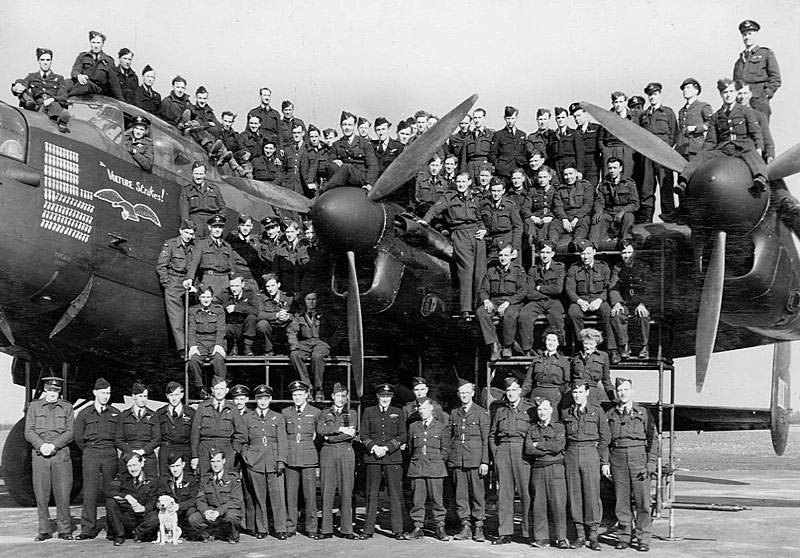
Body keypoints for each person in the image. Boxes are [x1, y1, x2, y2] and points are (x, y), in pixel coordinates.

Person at [679, 78, 767, 193]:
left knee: (752, 153)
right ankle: (684, 181)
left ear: (736, 93)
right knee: (701, 156)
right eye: (725, 92)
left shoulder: (745, 111)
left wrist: (759, 148)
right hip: (723, 148)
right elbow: (710, 140)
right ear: (721, 94)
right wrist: (705, 153)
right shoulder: (716, 116)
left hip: (742, 146)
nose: (728, 95)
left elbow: (755, 131)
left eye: (731, 91)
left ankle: (760, 178)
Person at [419, 172, 487, 320]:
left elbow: (481, 217)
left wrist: (484, 230)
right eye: (458, 181)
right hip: (460, 234)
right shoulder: (449, 197)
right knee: (466, 269)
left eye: (463, 181)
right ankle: (466, 309)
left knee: (480, 271)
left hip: (477, 235)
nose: (460, 184)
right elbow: (435, 209)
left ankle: (477, 306)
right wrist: (426, 221)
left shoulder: (476, 197)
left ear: (469, 182)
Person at [602, 378, 657, 552]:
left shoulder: (643, 413)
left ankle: (643, 538)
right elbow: (605, 441)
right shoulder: (610, 414)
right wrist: (605, 462)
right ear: (617, 393)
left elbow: (652, 440)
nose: (623, 393)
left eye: (626, 389)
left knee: (643, 502)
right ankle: (624, 537)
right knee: (622, 501)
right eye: (620, 390)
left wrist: (650, 463)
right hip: (617, 458)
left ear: (632, 391)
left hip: (638, 458)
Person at [24, 376, 74, 541]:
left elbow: (70, 432)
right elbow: (29, 431)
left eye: (56, 390)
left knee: (63, 493)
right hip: (40, 456)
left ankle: (64, 530)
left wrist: (54, 446)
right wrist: (41, 445)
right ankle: (44, 530)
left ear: (59, 392)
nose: (53, 393)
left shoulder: (67, 407)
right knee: (41, 494)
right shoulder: (34, 406)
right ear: (45, 389)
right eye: (50, 390)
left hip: (61, 454)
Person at [562, 378, 610, 551]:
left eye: (581, 392)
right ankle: (580, 535)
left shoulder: (596, 411)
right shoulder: (566, 412)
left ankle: (593, 536)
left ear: (587, 393)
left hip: (590, 452)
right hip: (572, 453)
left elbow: (606, 436)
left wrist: (596, 455)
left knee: (591, 495)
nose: (577, 395)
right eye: (575, 392)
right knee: (575, 496)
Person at [316, 382, 365, 539]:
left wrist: (331, 435)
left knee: (346, 490)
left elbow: (350, 434)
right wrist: (340, 429)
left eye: (344, 396)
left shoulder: (351, 413)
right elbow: (320, 430)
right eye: (338, 395)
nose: (341, 399)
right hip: (328, 452)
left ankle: (346, 530)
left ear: (347, 397)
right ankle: (326, 529)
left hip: (345, 451)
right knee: (327, 490)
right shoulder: (324, 413)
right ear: (332, 396)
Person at [360, 384, 409, 539]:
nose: (385, 399)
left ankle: (398, 530)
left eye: (388, 397)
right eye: (382, 396)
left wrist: (386, 448)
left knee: (395, 494)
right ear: (377, 397)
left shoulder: (398, 412)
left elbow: (403, 435)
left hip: (392, 458)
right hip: (373, 458)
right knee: (371, 494)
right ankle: (368, 530)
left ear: (391, 397)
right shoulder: (368, 412)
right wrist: (374, 447)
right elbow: (363, 434)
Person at [489, 376, 533, 544]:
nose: (511, 393)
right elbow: (492, 435)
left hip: (522, 453)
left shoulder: (529, 409)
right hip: (504, 452)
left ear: (520, 391)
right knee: (505, 494)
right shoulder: (500, 411)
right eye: (508, 391)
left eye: (514, 390)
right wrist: (497, 453)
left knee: (525, 494)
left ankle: (527, 532)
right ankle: (505, 532)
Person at [241, 384, 289, 540]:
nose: (263, 402)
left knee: (278, 496)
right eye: (260, 399)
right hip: (255, 462)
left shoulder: (278, 417)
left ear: (270, 399)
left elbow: (282, 441)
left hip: (274, 461)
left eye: (265, 398)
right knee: (259, 497)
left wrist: (281, 460)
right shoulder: (248, 418)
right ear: (255, 400)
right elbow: (243, 440)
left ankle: (280, 528)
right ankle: (261, 528)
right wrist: (247, 457)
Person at [73, 377, 118, 540]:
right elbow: (78, 437)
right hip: (91, 453)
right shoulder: (84, 413)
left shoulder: (115, 413)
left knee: (112, 490)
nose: (106, 396)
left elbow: (120, 436)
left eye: (108, 393)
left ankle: (113, 527)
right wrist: (89, 451)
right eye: (103, 393)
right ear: (95, 393)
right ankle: (87, 529)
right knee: (89, 492)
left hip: (110, 454)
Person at [447, 379, 490, 542]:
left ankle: (479, 526)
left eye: (467, 392)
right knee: (461, 495)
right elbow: (451, 437)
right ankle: (465, 526)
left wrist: (485, 461)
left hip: (475, 460)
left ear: (472, 393)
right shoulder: (454, 412)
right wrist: (450, 459)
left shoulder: (481, 413)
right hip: (458, 460)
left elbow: (485, 439)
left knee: (478, 495)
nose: (464, 395)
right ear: (458, 394)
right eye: (461, 393)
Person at [524, 397, 568, 549]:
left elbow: (558, 445)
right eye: (539, 409)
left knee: (558, 503)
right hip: (538, 469)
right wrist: (545, 447)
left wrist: (539, 445)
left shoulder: (559, 427)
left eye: (545, 409)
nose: (542, 412)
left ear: (551, 410)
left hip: (555, 468)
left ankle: (561, 537)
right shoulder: (532, 428)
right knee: (539, 504)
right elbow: (528, 448)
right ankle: (541, 537)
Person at [565, 240, 619, 362]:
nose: (585, 257)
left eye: (588, 253)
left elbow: (607, 287)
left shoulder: (603, 267)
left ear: (594, 252)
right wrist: (579, 301)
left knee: (607, 311)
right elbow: (569, 289)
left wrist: (599, 300)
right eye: (583, 254)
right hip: (581, 300)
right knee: (573, 313)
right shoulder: (574, 268)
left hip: (598, 300)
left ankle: (612, 349)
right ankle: (581, 347)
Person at [407, 398, 451, 541]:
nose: (421, 411)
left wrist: (436, 461)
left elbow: (445, 450)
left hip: (435, 468)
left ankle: (439, 527)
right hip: (417, 467)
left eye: (424, 408)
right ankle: (418, 527)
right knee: (417, 500)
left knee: (437, 500)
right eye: (420, 408)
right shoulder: (413, 426)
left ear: (432, 409)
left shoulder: (441, 427)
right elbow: (410, 448)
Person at [282, 380, 321, 539]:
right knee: (290, 495)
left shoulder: (316, 412)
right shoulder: (286, 412)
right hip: (291, 457)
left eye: (300, 394)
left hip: (308, 457)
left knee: (310, 495)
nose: (297, 397)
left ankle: (311, 527)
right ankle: (290, 526)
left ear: (306, 395)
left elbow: (319, 435)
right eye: (294, 394)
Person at [288, 290, 342, 402]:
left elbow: (341, 327)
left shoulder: (325, 314)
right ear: (304, 301)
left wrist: (332, 342)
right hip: (305, 342)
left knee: (317, 356)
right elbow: (292, 331)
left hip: (321, 342)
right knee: (294, 355)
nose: (311, 302)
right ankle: (307, 387)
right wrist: (294, 343)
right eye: (308, 299)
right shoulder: (299, 315)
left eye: (313, 299)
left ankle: (318, 388)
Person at [476, 244, 526, 360]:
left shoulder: (518, 271)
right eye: (500, 255)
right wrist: (486, 300)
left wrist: (508, 303)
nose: (503, 258)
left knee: (510, 315)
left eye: (506, 255)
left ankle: (507, 346)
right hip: (494, 300)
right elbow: (483, 290)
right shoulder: (491, 270)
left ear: (511, 256)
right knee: (481, 312)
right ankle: (494, 345)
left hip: (512, 302)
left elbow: (522, 292)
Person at [637, 82, 678, 223]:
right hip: (647, 156)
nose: (652, 97)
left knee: (666, 185)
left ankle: (669, 216)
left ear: (659, 94)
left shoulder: (667, 112)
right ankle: (646, 218)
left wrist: (665, 149)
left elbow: (674, 133)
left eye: (654, 94)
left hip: (663, 155)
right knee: (646, 187)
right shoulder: (644, 115)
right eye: (650, 95)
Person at [190, 376, 246, 475]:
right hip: (205, 448)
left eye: (222, 389)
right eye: (217, 389)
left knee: (225, 480)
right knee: (205, 479)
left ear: (227, 390)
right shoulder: (203, 407)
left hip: (226, 448)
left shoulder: (233, 409)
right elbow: (195, 433)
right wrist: (195, 456)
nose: (219, 392)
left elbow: (240, 433)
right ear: (212, 390)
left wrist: (233, 451)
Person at [518, 240, 565, 354]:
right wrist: (546, 293)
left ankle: (559, 349)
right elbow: (529, 292)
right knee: (524, 316)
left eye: (548, 252)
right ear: (539, 253)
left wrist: (539, 288)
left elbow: (558, 289)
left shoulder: (559, 268)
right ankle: (527, 350)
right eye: (542, 252)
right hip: (537, 302)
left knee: (556, 317)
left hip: (553, 301)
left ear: (552, 254)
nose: (545, 255)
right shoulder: (533, 270)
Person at [610, 240, 654, 360]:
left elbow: (650, 288)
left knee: (643, 316)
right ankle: (624, 345)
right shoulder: (618, 268)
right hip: (625, 301)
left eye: (629, 252)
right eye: (624, 253)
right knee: (617, 315)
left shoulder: (643, 266)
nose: (626, 256)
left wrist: (643, 303)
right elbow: (614, 287)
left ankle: (644, 346)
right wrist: (617, 303)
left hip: (641, 302)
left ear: (634, 253)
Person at [189, 449, 243, 543]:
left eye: (218, 461)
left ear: (224, 461)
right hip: (211, 510)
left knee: (232, 516)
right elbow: (200, 499)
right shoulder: (205, 479)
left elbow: (236, 501)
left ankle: (232, 536)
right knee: (193, 519)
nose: (215, 464)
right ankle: (209, 534)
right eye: (213, 461)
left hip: (226, 511)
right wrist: (205, 511)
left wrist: (219, 511)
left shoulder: (233, 478)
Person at [11, 47, 71, 133]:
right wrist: (16, 86)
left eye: (48, 60)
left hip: (51, 105)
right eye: (42, 60)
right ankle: (32, 105)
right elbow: (23, 82)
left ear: (51, 61)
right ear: (38, 61)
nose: (45, 63)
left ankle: (61, 121)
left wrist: (52, 99)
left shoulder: (59, 79)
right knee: (23, 91)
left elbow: (63, 96)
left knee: (55, 105)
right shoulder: (32, 77)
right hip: (35, 103)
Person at [105, 453, 159, 545]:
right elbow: (109, 491)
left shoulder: (152, 480)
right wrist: (126, 496)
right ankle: (120, 535)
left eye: (134, 465)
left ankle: (137, 533)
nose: (132, 469)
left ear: (142, 464)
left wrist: (143, 509)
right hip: (127, 514)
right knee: (111, 502)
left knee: (154, 519)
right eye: (129, 466)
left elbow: (153, 500)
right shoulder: (122, 477)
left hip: (141, 515)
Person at [320, 111, 379, 193]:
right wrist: (334, 161)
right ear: (340, 126)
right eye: (344, 125)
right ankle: (331, 193)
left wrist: (369, 184)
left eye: (350, 125)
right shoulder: (336, 144)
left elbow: (373, 165)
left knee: (346, 167)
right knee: (332, 166)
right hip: (343, 178)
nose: (347, 128)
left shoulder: (364, 143)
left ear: (355, 126)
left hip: (359, 177)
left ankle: (323, 191)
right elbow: (328, 164)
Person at [733, 19, 780, 120]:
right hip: (741, 102)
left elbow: (775, 78)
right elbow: (735, 83)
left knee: (760, 131)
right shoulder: (739, 61)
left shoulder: (766, 54)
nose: (747, 37)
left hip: (758, 101)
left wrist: (766, 95)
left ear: (756, 34)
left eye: (750, 34)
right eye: (744, 35)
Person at [590, 157, 639, 250]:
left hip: (623, 213)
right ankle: (592, 247)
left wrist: (622, 211)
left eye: (615, 168)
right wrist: (598, 211)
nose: (612, 171)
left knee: (629, 217)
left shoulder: (629, 184)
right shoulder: (603, 185)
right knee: (598, 219)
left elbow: (635, 204)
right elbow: (599, 201)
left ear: (620, 168)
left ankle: (626, 242)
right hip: (608, 213)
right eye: (610, 168)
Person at [186, 286, 227, 395]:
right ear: (199, 298)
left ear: (212, 298)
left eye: (208, 297)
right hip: (200, 341)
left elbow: (221, 329)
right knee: (194, 360)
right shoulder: (193, 311)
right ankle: (200, 388)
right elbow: (192, 329)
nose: (206, 299)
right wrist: (193, 346)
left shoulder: (219, 310)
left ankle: (220, 387)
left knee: (218, 359)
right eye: (203, 296)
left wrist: (219, 345)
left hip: (214, 341)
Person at [115, 382, 160, 479]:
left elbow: (156, 438)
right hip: (128, 456)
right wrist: (131, 452)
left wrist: (143, 451)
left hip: (147, 456)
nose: (143, 399)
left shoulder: (153, 415)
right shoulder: (124, 415)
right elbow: (118, 439)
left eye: (145, 396)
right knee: (127, 487)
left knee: (150, 487)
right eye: (140, 396)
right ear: (134, 396)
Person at [185, 214, 236, 299]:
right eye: (214, 227)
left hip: (225, 281)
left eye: (220, 227)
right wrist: (189, 278)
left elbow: (232, 267)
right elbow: (193, 264)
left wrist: (235, 282)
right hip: (209, 280)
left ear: (223, 229)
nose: (217, 230)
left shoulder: (227, 246)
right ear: (209, 228)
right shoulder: (201, 244)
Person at [521, 329, 570, 412]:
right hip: (537, 393)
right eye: (549, 340)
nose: (551, 343)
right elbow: (528, 382)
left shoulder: (563, 361)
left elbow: (567, 383)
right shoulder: (536, 359)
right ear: (545, 341)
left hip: (554, 395)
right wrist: (519, 394)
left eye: (554, 340)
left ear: (558, 343)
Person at [549, 164, 594, 252]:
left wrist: (577, 218)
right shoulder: (559, 189)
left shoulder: (586, 186)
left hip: (581, 216)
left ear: (576, 174)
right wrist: (564, 219)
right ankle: (551, 246)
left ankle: (575, 244)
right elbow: (558, 206)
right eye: (566, 174)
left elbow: (588, 204)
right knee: (554, 224)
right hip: (565, 216)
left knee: (584, 224)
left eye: (571, 174)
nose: (568, 177)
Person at [68, 30, 123, 100]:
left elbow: (114, 83)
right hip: (82, 82)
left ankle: (67, 100)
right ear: (90, 43)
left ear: (102, 44)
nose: (96, 46)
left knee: (84, 85)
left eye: (98, 43)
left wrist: (122, 102)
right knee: (66, 83)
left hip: (97, 88)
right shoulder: (83, 56)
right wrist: (79, 76)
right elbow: (75, 70)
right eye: (93, 42)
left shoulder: (108, 61)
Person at [156, 382, 196, 473]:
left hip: (185, 451)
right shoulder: (160, 413)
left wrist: (194, 456)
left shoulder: (191, 413)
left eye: (177, 395)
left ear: (182, 395)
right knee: (165, 480)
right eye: (171, 395)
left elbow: (194, 436)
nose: (174, 398)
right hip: (166, 451)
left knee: (186, 479)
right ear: (166, 396)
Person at [179, 162, 226, 238]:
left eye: (201, 174)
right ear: (192, 174)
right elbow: (184, 211)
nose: (198, 177)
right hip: (195, 222)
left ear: (205, 175)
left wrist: (217, 222)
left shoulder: (214, 189)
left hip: (211, 221)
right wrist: (188, 227)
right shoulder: (186, 190)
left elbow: (222, 207)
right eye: (196, 174)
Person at [158, 451, 198, 538]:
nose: (175, 469)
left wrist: (179, 506)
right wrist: (162, 506)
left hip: (184, 511)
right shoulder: (164, 480)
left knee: (192, 511)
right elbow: (159, 497)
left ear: (183, 465)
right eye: (172, 466)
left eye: (177, 466)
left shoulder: (191, 479)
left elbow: (194, 498)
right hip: (169, 513)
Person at [572, 328, 616, 405]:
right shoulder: (576, 357)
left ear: (596, 344)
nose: (588, 347)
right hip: (576, 392)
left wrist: (612, 397)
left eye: (591, 344)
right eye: (586, 343)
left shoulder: (603, 356)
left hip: (592, 392)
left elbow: (606, 379)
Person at [481, 181, 523, 260]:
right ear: (490, 191)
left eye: (499, 191)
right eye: (493, 191)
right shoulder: (484, 204)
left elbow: (518, 227)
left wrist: (515, 247)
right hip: (491, 243)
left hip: (507, 243)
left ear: (503, 191)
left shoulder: (510, 205)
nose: (496, 194)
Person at [220, 275, 259, 356]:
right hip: (230, 324)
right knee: (226, 326)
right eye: (232, 286)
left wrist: (236, 308)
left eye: (237, 286)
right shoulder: (225, 294)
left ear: (243, 284)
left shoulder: (250, 293)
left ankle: (247, 347)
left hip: (244, 326)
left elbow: (255, 310)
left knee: (252, 318)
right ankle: (233, 347)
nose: (234, 289)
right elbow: (216, 306)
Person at [675, 78, 713, 163]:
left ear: (696, 90)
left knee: (695, 174)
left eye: (688, 87)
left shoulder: (703, 106)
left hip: (695, 147)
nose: (685, 90)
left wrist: (696, 128)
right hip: (681, 148)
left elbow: (710, 123)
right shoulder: (681, 111)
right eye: (684, 88)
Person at [256, 272, 294, 355]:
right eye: (268, 286)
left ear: (278, 285)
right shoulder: (261, 297)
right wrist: (276, 315)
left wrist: (288, 316)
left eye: (273, 286)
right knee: (262, 324)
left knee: (293, 323)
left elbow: (295, 313)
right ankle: (268, 350)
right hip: (271, 326)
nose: (270, 289)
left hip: (285, 326)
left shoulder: (288, 297)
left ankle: (292, 348)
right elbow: (259, 314)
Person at [489, 106, 527, 186]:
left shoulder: (522, 134)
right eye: (508, 118)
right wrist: (499, 165)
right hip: (504, 172)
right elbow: (492, 154)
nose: (510, 121)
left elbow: (524, 152)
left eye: (512, 118)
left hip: (518, 171)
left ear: (517, 117)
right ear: (504, 118)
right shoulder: (499, 135)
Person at [599, 92, 634, 177]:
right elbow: (600, 139)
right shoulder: (606, 118)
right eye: (616, 102)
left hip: (626, 151)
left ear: (625, 102)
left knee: (626, 177)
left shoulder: (633, 119)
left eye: (621, 102)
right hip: (610, 150)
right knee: (608, 176)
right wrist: (605, 151)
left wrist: (630, 152)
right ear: (612, 103)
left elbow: (638, 139)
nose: (618, 105)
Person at [226, 214, 262, 290]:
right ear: (238, 226)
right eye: (242, 225)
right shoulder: (231, 241)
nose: (245, 228)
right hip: (236, 280)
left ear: (251, 226)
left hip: (252, 281)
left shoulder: (256, 242)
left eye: (247, 226)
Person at [571, 103, 602, 186]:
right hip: (579, 166)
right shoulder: (574, 133)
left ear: (585, 113)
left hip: (593, 165)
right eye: (574, 117)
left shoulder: (597, 129)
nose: (577, 119)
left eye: (579, 115)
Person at [460, 108, 494, 182]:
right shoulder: (467, 138)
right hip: (470, 168)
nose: (477, 120)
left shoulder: (491, 135)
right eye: (475, 118)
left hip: (485, 167)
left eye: (479, 117)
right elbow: (463, 160)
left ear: (484, 118)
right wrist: (463, 174)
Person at [550, 106, 584, 178]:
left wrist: (580, 171)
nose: (560, 120)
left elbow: (580, 153)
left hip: (570, 164)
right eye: (558, 118)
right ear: (555, 119)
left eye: (563, 117)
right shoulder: (552, 136)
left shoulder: (574, 134)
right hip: (557, 166)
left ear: (567, 118)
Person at [528, 165, 557, 247]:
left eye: (545, 177)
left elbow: (558, 207)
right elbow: (525, 208)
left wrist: (551, 216)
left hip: (549, 219)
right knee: (527, 221)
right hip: (536, 219)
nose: (542, 180)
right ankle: (532, 239)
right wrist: (533, 217)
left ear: (550, 177)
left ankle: (541, 245)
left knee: (547, 226)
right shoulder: (533, 191)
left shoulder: (556, 190)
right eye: (540, 177)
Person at [248, 87, 284, 152]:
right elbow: (248, 131)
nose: (267, 98)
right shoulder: (253, 113)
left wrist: (281, 148)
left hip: (272, 144)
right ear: (260, 96)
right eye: (265, 95)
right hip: (259, 143)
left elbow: (280, 132)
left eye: (268, 96)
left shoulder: (275, 114)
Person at [300, 125, 331, 194]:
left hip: (327, 184)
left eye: (316, 136)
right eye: (311, 137)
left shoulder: (326, 151)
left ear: (319, 137)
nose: (314, 139)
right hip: (313, 185)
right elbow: (304, 171)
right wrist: (309, 183)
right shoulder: (306, 153)